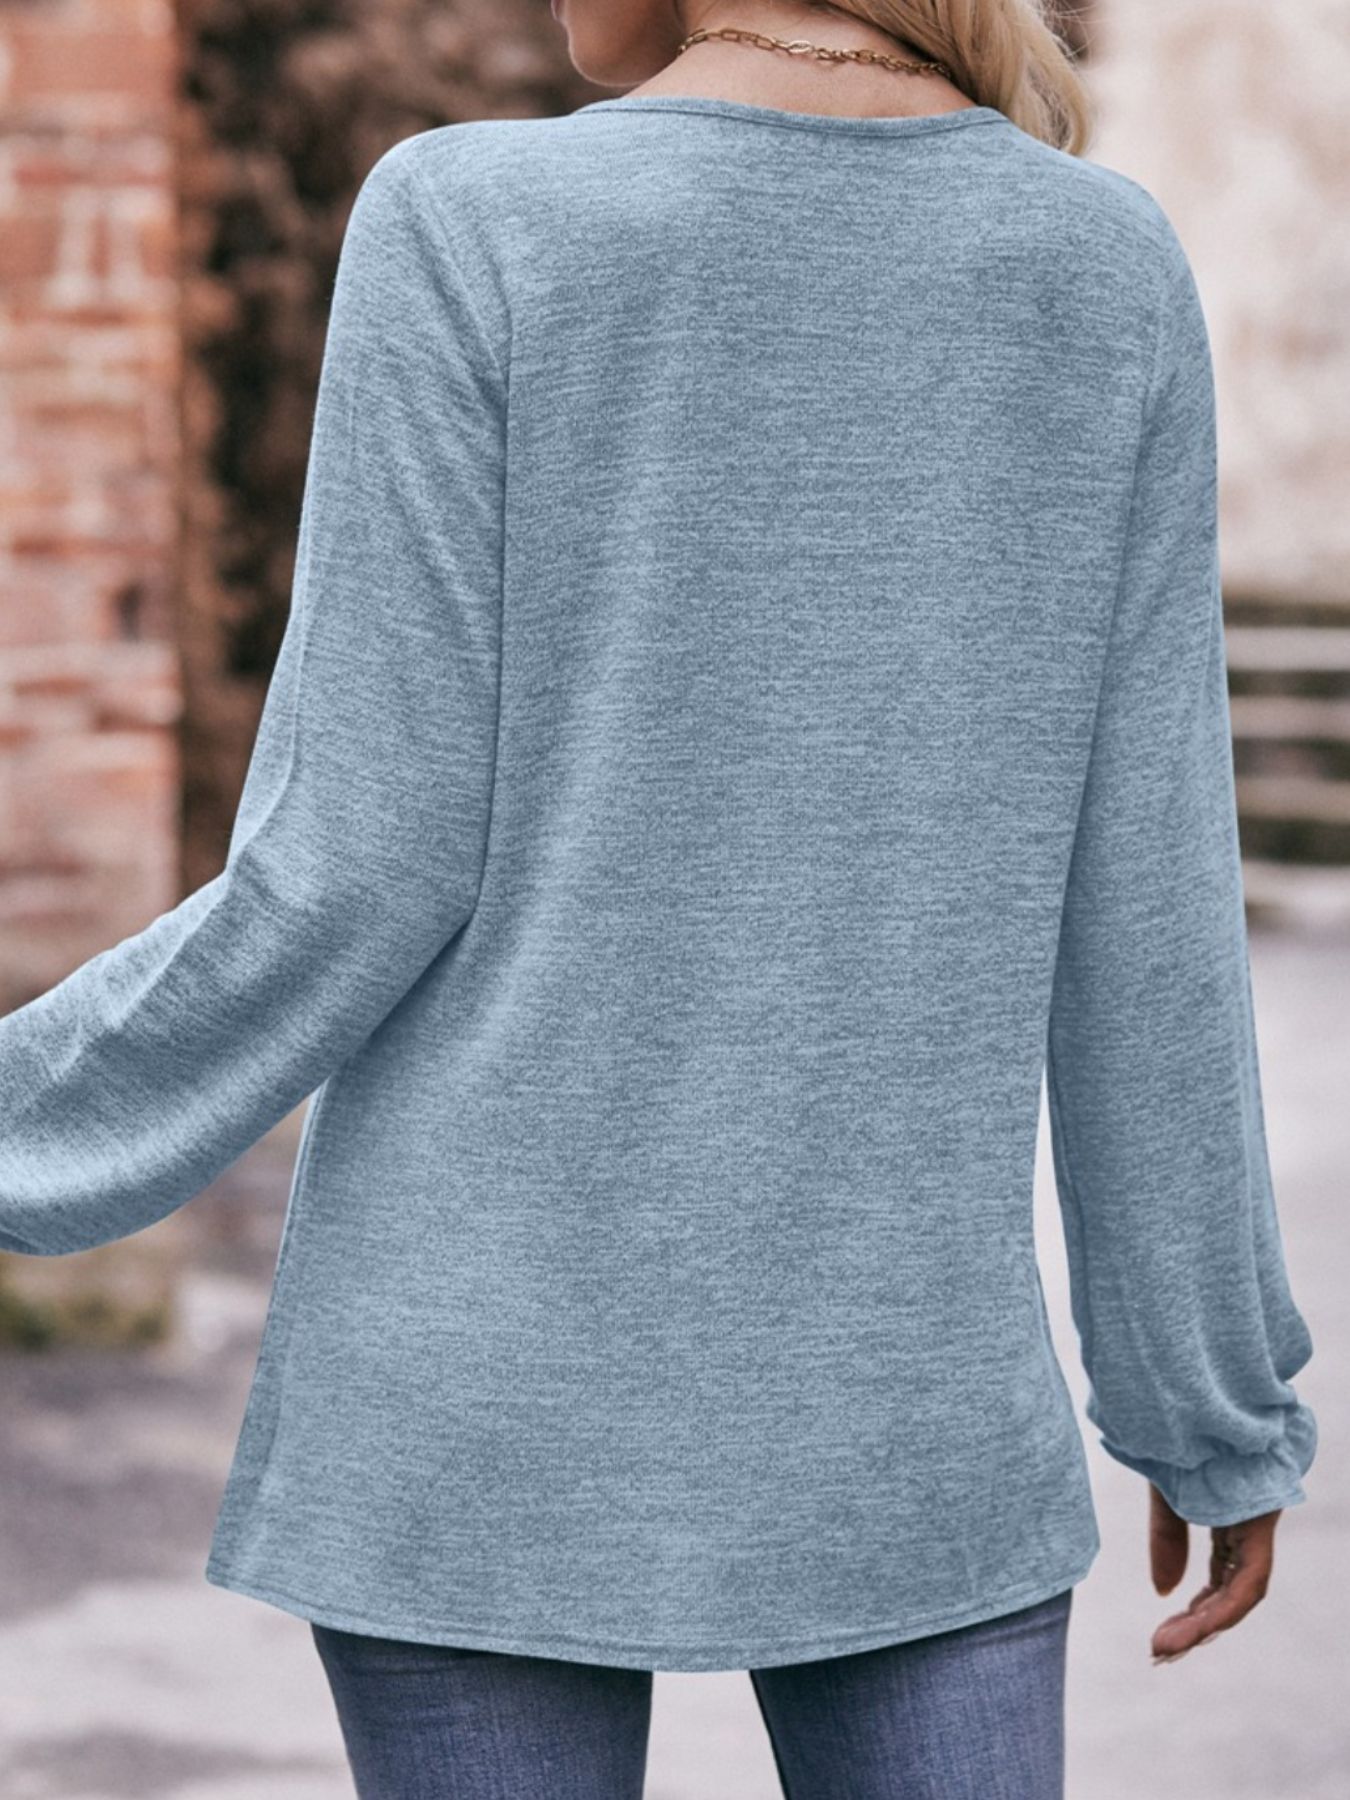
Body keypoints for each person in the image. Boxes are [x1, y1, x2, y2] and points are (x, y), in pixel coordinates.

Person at [0, 0, 1319, 1794]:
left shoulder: (467, 219)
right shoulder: (1093, 266)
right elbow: (1141, 914)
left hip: (472, 1393)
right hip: (901, 1407)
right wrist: (1206, 1397)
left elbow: (351, 866)